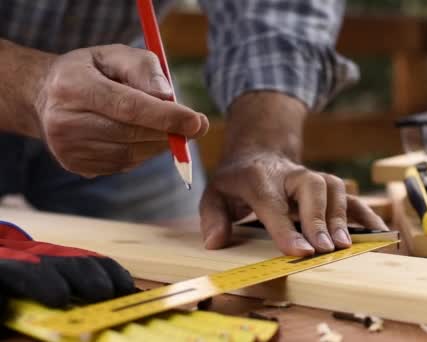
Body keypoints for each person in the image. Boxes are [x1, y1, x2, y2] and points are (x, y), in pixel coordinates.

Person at [0, 0, 388, 257]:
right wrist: (30, 85)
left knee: (184, 262)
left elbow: (277, 11)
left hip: (122, 96)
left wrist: (264, 147)